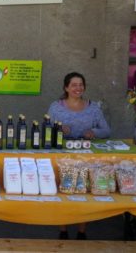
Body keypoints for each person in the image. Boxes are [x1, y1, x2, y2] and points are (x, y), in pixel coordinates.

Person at [47, 72, 111, 240]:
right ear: (66, 87)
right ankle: (63, 229)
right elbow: (46, 129)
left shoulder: (93, 107)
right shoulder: (55, 107)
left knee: (84, 191)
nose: (78, 88)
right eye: (74, 85)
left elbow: (106, 130)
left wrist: (94, 132)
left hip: (86, 155)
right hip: (62, 156)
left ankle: (82, 231)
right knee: (63, 190)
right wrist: (59, 130)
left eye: (81, 84)